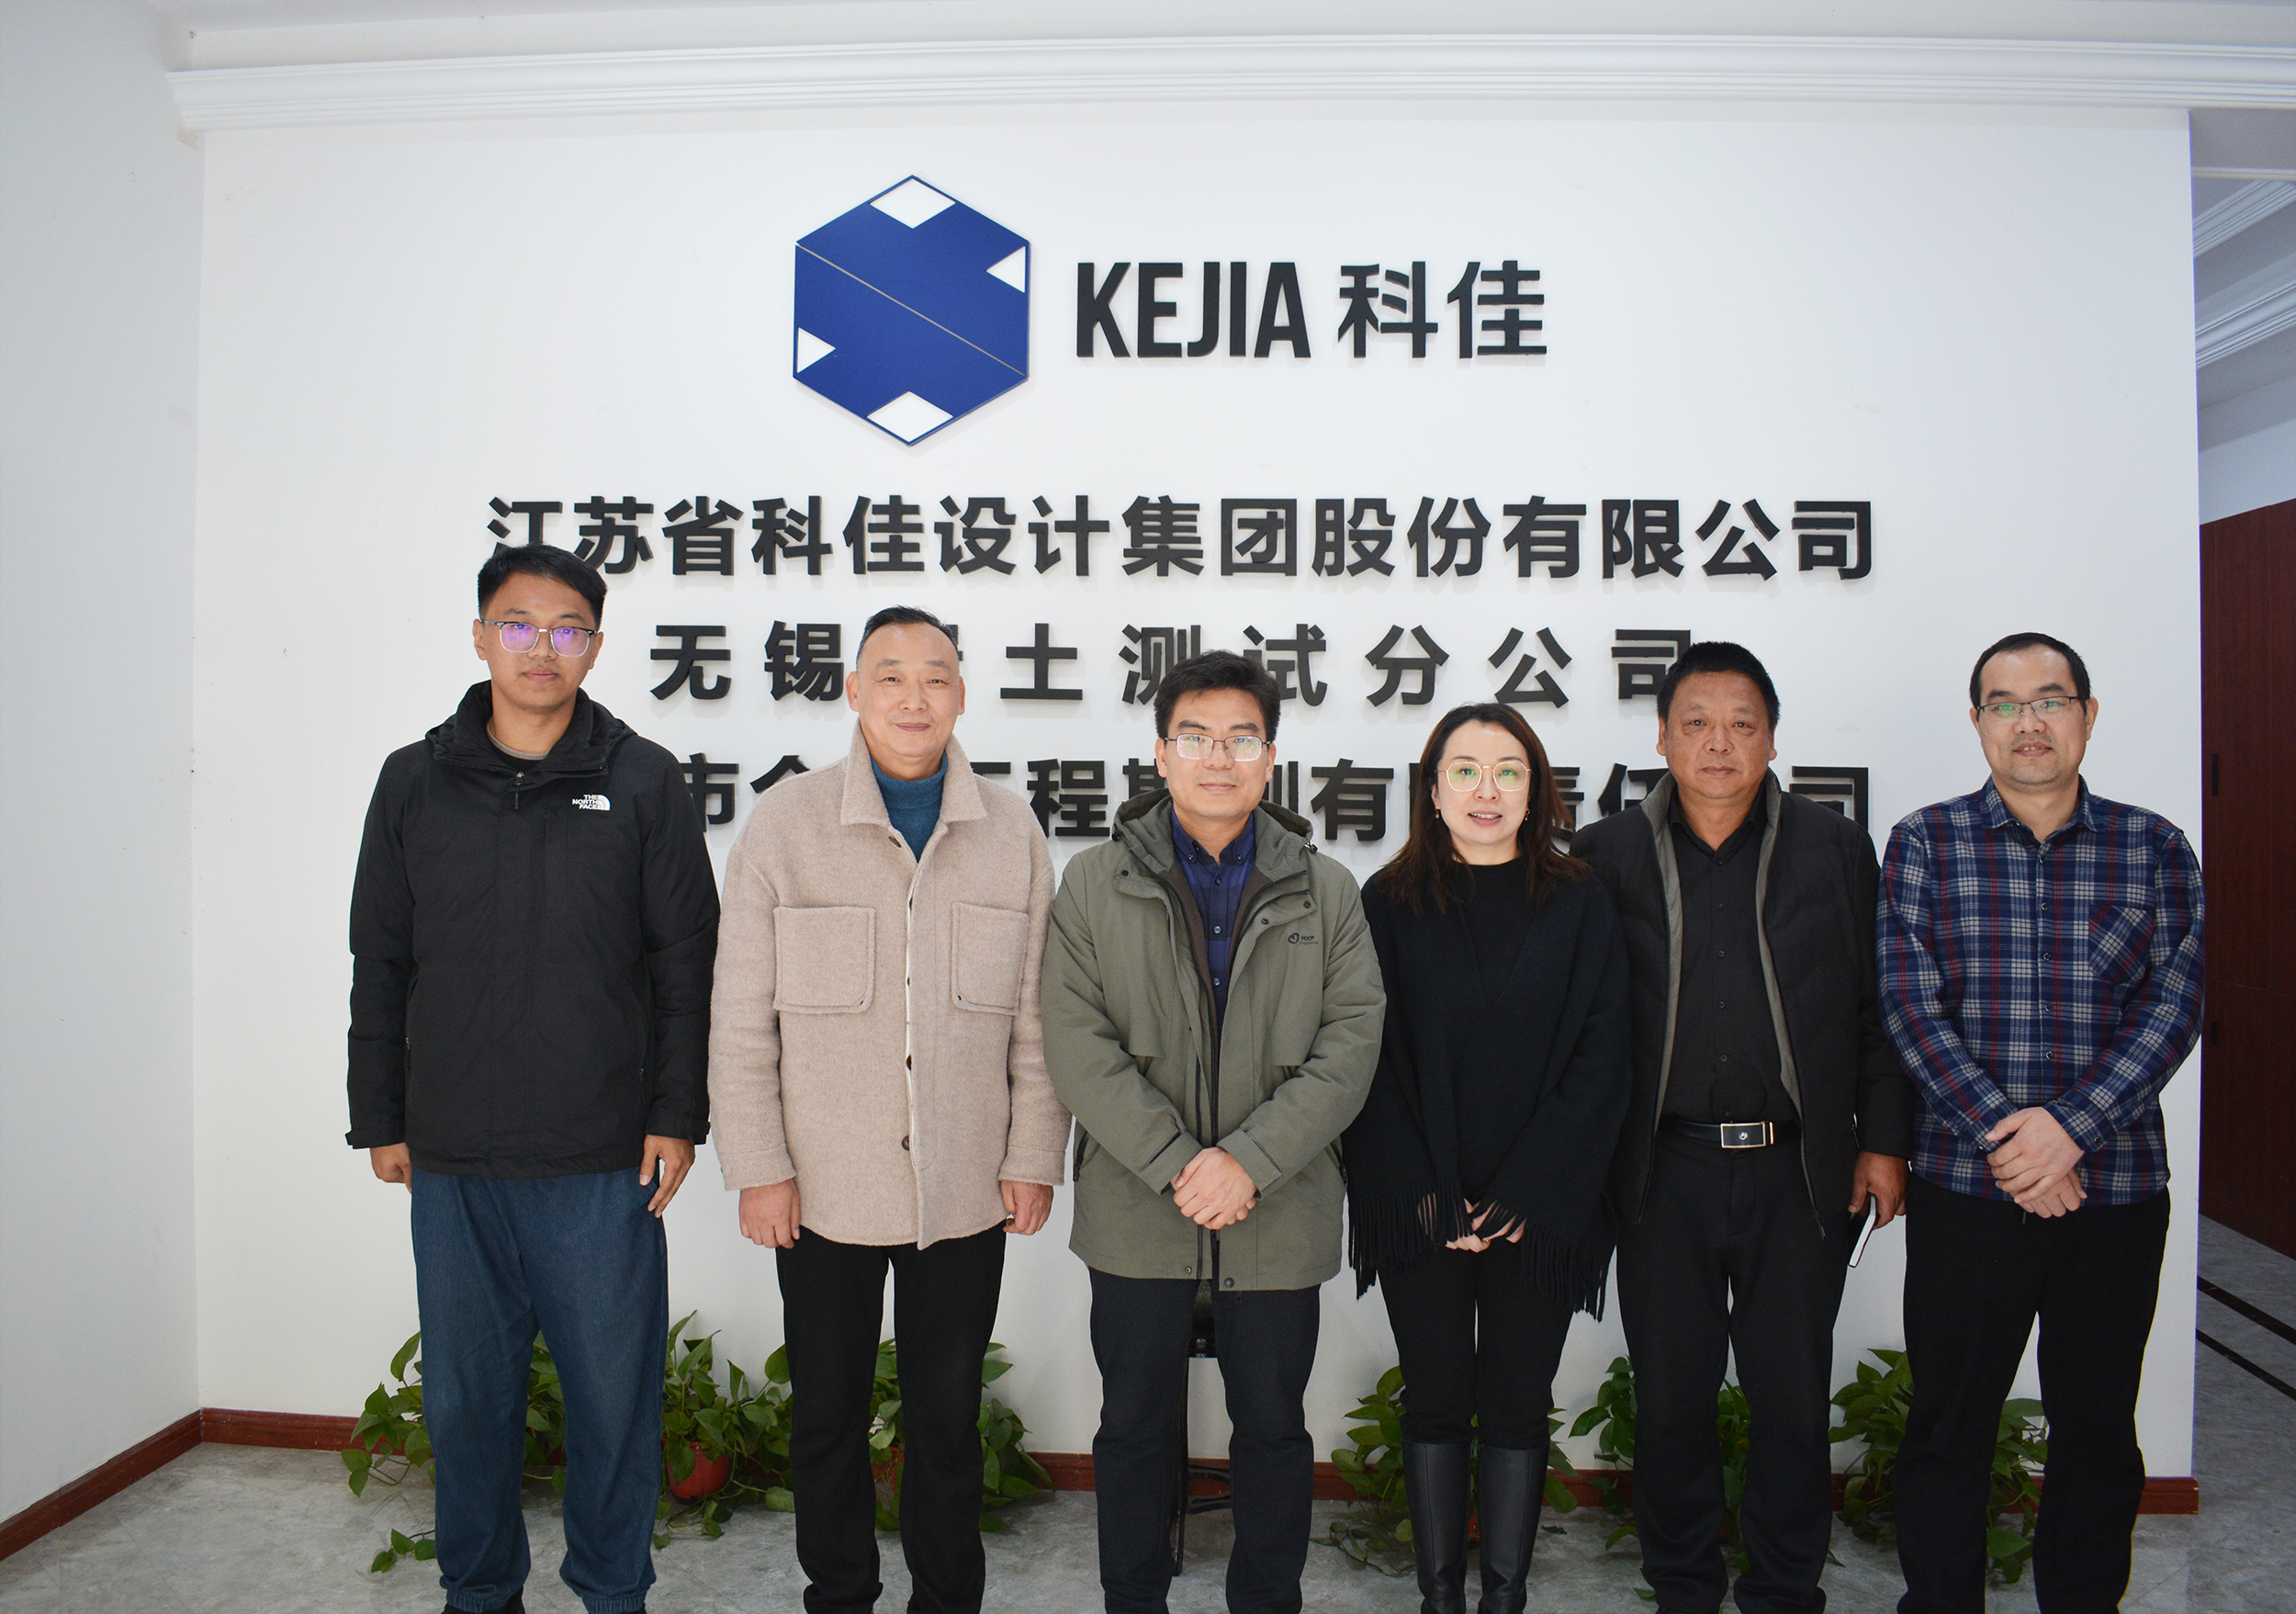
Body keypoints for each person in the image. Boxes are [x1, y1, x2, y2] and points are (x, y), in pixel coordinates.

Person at [347, 543, 719, 1614]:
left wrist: (676, 1114)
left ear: (595, 646)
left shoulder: (642, 778)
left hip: (599, 1156)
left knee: (613, 1400)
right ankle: (479, 1591)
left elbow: (685, 962)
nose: (541, 647)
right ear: (480, 636)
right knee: (467, 1403)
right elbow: (382, 956)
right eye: (518, 623)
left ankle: (612, 1589)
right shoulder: (413, 779)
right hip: (452, 1153)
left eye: (566, 628)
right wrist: (380, 1114)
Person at [707, 604, 1067, 1614]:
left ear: (962, 693)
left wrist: (1033, 1152)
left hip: (965, 1182)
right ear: (854, 690)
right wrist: (759, 1166)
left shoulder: (1011, 831)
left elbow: (1037, 1018)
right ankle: (840, 1595)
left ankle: (947, 1599)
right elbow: (739, 1017)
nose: (915, 697)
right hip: (822, 1184)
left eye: (937, 676)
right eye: (892, 676)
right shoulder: (786, 823)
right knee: (826, 1415)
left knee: (947, 1418)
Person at [1573, 640, 1915, 1614]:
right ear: (1662, 736)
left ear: (1771, 737)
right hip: (1660, 1171)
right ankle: (1682, 1584)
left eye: (1741, 724)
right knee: (1670, 1397)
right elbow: (1577, 1021)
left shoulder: (1832, 846)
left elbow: (1877, 1006)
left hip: (1798, 1170)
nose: (1718, 743)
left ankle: (1783, 1587)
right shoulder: (1605, 854)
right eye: (1696, 722)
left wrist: (1884, 1140)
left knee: (1792, 1399)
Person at [1041, 649, 1384, 1614]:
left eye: (1242, 738)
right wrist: (1179, 1163)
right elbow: (1075, 1039)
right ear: (1161, 753)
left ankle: (1267, 1598)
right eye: (1196, 737)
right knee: (1133, 1427)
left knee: (1273, 1428)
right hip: (1135, 1207)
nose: (1219, 757)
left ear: (1270, 756)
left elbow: (1351, 1043)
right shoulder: (1093, 882)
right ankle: (1132, 1598)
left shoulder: (1327, 889)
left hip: (1278, 1207)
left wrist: (1249, 1162)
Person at [1879, 632, 2203, 1614]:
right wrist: (2011, 1138)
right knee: (1949, 1425)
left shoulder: (2154, 847)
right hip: (1966, 1192)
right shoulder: (1926, 841)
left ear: (2087, 716)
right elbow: (1909, 1006)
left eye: (2050, 700)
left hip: (2114, 1194)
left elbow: (2174, 1005)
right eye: (2004, 703)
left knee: (2097, 1428)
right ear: (1978, 721)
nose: (2029, 722)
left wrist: (2069, 1130)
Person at [1344, 704, 1633, 1614]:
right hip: (1419, 1203)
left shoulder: (1580, 899)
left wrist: (1521, 1197)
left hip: (1541, 1209)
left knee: (1515, 1401)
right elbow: (1364, 1060)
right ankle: (1440, 1597)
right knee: (1434, 1399)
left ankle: (1504, 1596)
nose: (1486, 789)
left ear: (1535, 789)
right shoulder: (1386, 902)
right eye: (1463, 769)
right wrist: (1433, 1198)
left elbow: (1604, 1057)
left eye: (1508, 770)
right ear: (1431, 790)